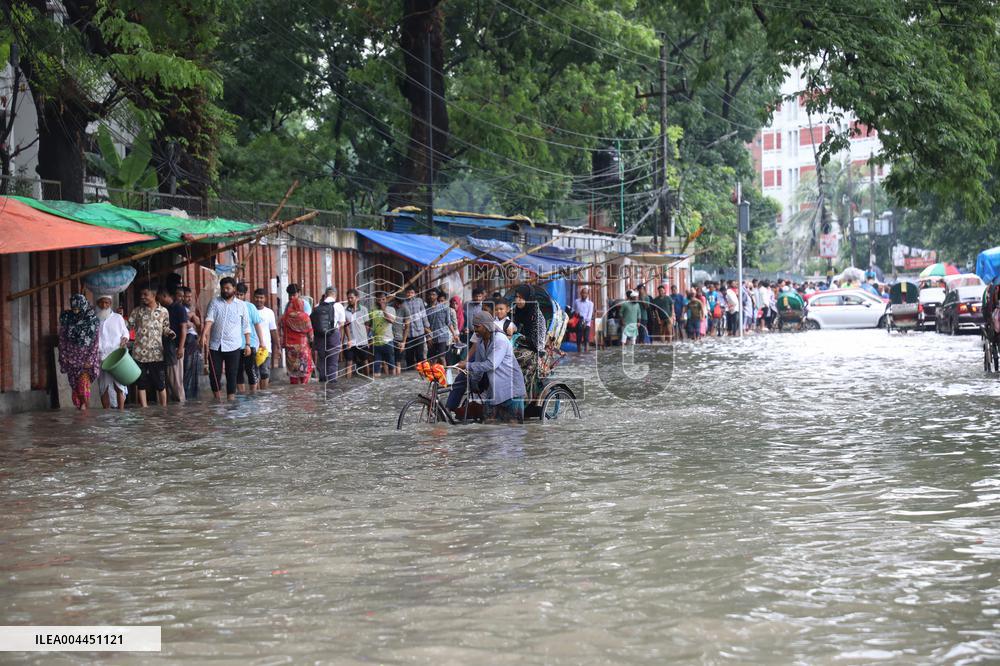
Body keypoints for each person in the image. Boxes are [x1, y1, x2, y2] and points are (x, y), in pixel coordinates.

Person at [454, 310, 527, 423]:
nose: (475, 329)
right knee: (488, 429)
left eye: (477, 326)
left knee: (514, 430)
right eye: (474, 326)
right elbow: (479, 364)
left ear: (486, 326)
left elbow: (491, 364)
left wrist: (467, 365)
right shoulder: (480, 342)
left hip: (512, 391)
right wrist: (474, 382)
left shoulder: (500, 340)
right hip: (494, 392)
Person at [201, 277, 252, 401]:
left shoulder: (241, 305)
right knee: (214, 375)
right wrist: (203, 335)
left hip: (233, 346)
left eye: (228, 288)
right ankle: (217, 400)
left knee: (232, 375)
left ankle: (231, 401)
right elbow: (209, 319)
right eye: (223, 288)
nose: (225, 291)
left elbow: (246, 326)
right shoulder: (214, 302)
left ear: (234, 289)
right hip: (215, 345)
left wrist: (248, 344)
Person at [129, 286, 173, 407]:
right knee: (141, 382)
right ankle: (144, 408)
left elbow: (165, 327)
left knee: (160, 382)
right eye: (142, 295)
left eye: (145, 294)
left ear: (153, 296)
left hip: (156, 353)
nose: (142, 297)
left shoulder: (164, 311)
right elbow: (128, 327)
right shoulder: (137, 311)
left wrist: (170, 333)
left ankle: (164, 408)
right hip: (139, 353)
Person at [58, 293, 101, 410]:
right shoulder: (67, 319)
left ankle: (84, 409)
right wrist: (63, 356)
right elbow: (62, 340)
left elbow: (95, 343)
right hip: (71, 359)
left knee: (83, 386)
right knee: (75, 387)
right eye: (74, 309)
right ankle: (82, 412)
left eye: (78, 308)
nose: (76, 311)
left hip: (86, 360)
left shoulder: (92, 320)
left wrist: (90, 360)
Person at [95, 295, 129, 409]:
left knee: (119, 385)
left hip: (116, 356)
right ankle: (106, 411)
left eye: (107, 303)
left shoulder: (118, 318)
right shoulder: (94, 320)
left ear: (110, 303)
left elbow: (125, 332)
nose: (104, 305)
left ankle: (121, 410)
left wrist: (125, 338)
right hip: (101, 356)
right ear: (98, 303)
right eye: (101, 303)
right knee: (103, 386)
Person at [157, 287, 188, 402]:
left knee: (176, 379)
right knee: (169, 378)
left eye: (159, 298)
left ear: (165, 296)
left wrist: (180, 347)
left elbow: (184, 328)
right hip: (167, 347)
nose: (158, 301)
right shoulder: (165, 309)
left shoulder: (179, 308)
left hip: (175, 348)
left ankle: (181, 403)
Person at [235, 283, 267, 394]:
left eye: (241, 295)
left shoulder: (250, 307)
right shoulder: (231, 306)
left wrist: (262, 342)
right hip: (235, 345)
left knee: (251, 370)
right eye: (237, 294)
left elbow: (257, 324)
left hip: (251, 344)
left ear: (245, 295)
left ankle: (253, 394)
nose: (239, 297)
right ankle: (241, 395)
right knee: (238, 371)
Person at [310, 287, 346, 383]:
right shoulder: (338, 306)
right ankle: (332, 385)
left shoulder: (317, 306)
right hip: (333, 335)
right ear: (335, 295)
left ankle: (322, 381)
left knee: (322, 360)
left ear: (325, 295)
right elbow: (342, 324)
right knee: (332, 362)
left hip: (320, 337)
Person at [281, 295, 314, 384]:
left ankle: (294, 392)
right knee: (304, 372)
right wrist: (312, 344)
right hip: (303, 348)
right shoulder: (305, 317)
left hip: (290, 349)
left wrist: (283, 345)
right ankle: (303, 391)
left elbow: (283, 332)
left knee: (293, 373)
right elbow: (311, 334)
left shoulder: (285, 317)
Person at [252, 288, 280, 389]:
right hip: (251, 347)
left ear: (265, 299)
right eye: (257, 297)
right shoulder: (250, 310)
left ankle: (263, 394)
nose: (259, 299)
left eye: (261, 297)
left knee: (264, 371)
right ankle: (256, 394)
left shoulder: (269, 313)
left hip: (265, 348)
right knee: (254, 373)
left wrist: (278, 347)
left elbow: (273, 330)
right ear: (253, 298)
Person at [179, 286, 202, 399]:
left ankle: (192, 395)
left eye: (190, 297)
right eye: (186, 297)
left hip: (193, 339)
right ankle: (186, 396)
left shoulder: (190, 310)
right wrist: (192, 318)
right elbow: (184, 323)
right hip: (187, 340)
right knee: (187, 369)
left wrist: (195, 321)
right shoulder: (180, 308)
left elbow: (197, 325)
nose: (189, 299)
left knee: (193, 370)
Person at [401, 286, 431, 369]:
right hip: (408, 334)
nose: (410, 294)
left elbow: (424, 315)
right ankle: (410, 374)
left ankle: (421, 371)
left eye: (412, 292)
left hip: (419, 332)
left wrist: (427, 327)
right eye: (408, 292)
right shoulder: (403, 303)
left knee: (420, 354)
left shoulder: (419, 301)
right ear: (405, 294)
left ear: (415, 293)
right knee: (409, 355)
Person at [369, 292, 397, 378]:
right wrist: (369, 338)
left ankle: (394, 384)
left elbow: (391, 321)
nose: (381, 301)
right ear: (376, 300)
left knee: (391, 365)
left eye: (383, 299)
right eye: (379, 299)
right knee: (376, 369)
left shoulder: (391, 309)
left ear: (386, 300)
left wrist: (383, 309)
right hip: (376, 343)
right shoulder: (372, 310)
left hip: (388, 341)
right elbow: (370, 325)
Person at [344, 288, 370, 378]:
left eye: (351, 298)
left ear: (357, 298)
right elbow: (345, 326)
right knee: (349, 362)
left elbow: (367, 325)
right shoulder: (345, 310)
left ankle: (368, 379)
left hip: (362, 341)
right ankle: (348, 383)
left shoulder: (363, 310)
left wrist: (365, 337)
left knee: (365, 361)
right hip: (349, 341)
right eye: (348, 298)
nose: (349, 300)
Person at [426, 289, 455, 362]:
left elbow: (448, 322)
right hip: (431, 337)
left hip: (442, 336)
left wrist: (454, 334)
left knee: (442, 357)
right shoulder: (426, 309)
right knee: (431, 359)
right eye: (430, 294)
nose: (431, 296)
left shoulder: (445, 308)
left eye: (433, 294)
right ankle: (432, 373)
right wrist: (428, 336)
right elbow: (425, 325)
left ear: (437, 296)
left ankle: (443, 373)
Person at [573, 286, 594, 352]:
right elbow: (574, 311)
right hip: (578, 323)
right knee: (578, 339)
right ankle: (578, 353)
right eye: (583, 293)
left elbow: (589, 315)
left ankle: (586, 352)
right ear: (581, 293)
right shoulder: (576, 302)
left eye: (586, 293)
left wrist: (585, 322)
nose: (584, 294)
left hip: (587, 324)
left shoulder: (590, 304)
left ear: (588, 294)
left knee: (586, 339)